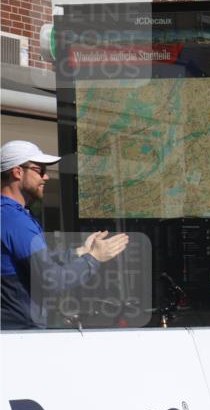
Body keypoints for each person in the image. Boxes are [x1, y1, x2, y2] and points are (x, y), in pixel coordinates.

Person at [1, 141, 129, 330]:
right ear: (17, 172)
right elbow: (49, 280)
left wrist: (79, 252)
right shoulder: (15, 221)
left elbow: (33, 264)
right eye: (39, 170)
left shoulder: (9, 216)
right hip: (21, 335)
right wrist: (93, 258)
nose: (46, 177)